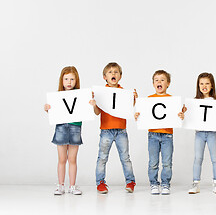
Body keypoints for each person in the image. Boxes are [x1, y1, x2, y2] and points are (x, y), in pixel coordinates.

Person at [135, 70, 185, 195]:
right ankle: (153, 184)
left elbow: (177, 116)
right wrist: (138, 115)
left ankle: (165, 184)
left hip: (167, 135)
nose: (159, 82)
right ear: (153, 84)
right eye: (156, 80)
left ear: (168, 83)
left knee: (167, 162)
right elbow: (143, 114)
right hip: (153, 135)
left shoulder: (172, 100)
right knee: (153, 162)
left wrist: (181, 114)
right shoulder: (149, 99)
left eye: (162, 80)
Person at [90, 62, 136, 194]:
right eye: (110, 72)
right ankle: (100, 183)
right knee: (102, 157)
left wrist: (134, 100)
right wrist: (94, 104)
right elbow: (97, 112)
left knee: (125, 157)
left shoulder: (124, 92)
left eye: (116, 72)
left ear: (120, 76)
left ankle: (130, 181)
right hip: (106, 131)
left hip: (121, 130)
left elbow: (130, 110)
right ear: (105, 77)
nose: (113, 74)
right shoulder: (101, 92)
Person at [187, 72, 216, 194]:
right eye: (201, 83)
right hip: (199, 134)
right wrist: (185, 112)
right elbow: (190, 117)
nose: (204, 86)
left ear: (212, 86)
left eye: (207, 83)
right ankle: (195, 183)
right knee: (198, 158)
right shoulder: (195, 101)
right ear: (198, 85)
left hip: (212, 133)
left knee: (215, 158)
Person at [44, 66, 84, 195]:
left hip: (75, 127)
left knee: (72, 159)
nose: (69, 82)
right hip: (61, 127)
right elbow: (53, 111)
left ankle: (72, 186)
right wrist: (48, 108)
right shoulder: (57, 96)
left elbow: (86, 109)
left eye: (72, 79)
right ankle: (60, 185)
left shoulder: (80, 96)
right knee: (62, 159)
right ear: (62, 80)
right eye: (66, 79)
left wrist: (90, 103)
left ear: (76, 80)